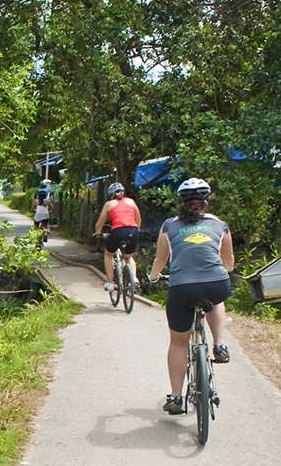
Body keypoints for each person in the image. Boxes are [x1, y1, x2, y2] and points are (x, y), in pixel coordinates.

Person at [147, 178, 234, 415]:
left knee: (178, 343)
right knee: (216, 298)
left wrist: (153, 278)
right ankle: (219, 344)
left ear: (180, 201)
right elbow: (228, 262)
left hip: (182, 287)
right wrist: (221, 271)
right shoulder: (220, 224)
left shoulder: (169, 226)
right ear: (206, 201)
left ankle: (176, 398)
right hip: (216, 283)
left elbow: (161, 259)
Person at [94, 182, 141, 291]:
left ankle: (110, 283)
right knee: (128, 256)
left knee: (108, 254)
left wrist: (97, 232)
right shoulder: (131, 201)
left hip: (118, 231)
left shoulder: (109, 204)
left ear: (111, 194)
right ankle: (134, 279)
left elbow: (99, 223)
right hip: (133, 230)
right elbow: (138, 219)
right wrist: (136, 230)